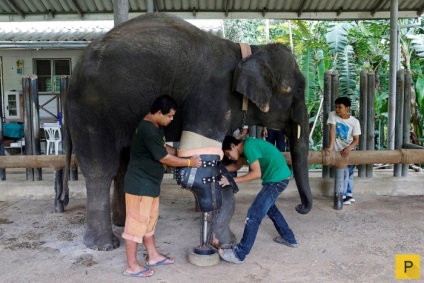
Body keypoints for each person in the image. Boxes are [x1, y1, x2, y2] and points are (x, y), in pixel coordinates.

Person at [122, 95, 202, 278]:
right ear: (159, 113)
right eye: (170, 116)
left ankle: (153, 256)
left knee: (149, 223)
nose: (172, 119)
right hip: (139, 185)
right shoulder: (147, 129)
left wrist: (184, 153)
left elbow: (164, 148)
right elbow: (163, 158)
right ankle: (132, 266)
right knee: (135, 227)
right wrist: (189, 162)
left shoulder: (156, 126)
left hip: (149, 184)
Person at [217, 135, 297, 264]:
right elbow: (236, 166)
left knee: (253, 215)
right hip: (279, 178)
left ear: (233, 145)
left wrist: (231, 180)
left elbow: (256, 173)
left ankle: (239, 254)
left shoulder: (249, 146)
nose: (229, 157)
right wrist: (217, 170)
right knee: (271, 209)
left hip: (277, 180)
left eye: (227, 153)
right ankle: (289, 238)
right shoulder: (245, 148)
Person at [326, 96, 361, 205]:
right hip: (338, 151)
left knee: (350, 173)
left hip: (350, 150)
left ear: (347, 108)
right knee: (344, 173)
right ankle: (343, 195)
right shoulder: (333, 115)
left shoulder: (355, 122)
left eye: (339, 107)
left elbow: (356, 140)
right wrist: (331, 148)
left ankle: (349, 194)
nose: (337, 109)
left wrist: (349, 148)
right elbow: (332, 131)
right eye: (336, 107)